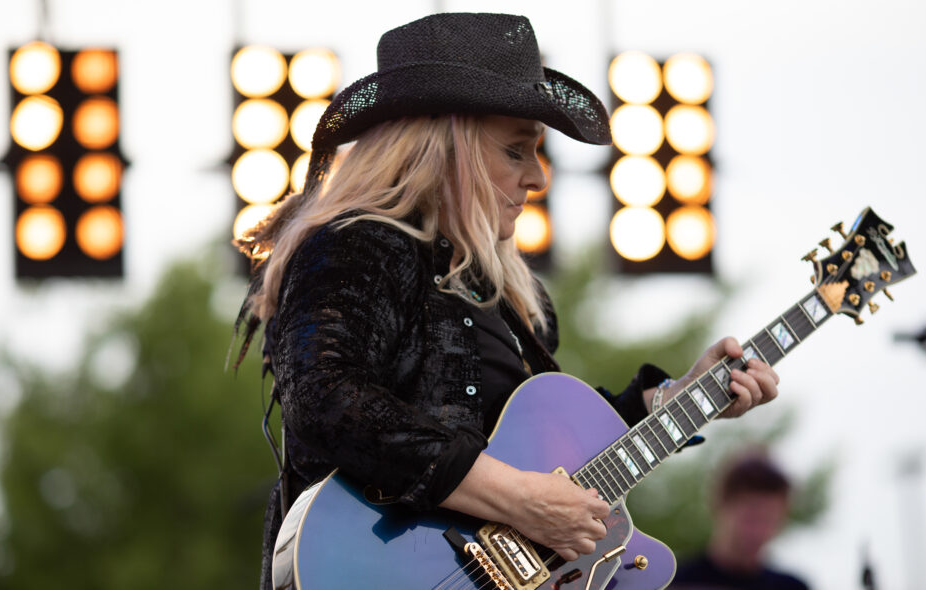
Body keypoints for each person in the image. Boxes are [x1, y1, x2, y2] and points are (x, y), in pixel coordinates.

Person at [229, 13, 781, 590]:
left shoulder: (506, 296)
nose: (538, 177)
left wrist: (676, 397)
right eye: (517, 150)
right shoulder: (361, 244)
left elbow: (544, 446)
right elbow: (326, 399)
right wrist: (519, 499)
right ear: (446, 147)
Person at [670, 452, 809, 590]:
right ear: (720, 506)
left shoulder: (793, 587)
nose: (759, 531)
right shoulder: (672, 581)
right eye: (751, 518)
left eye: (769, 520)